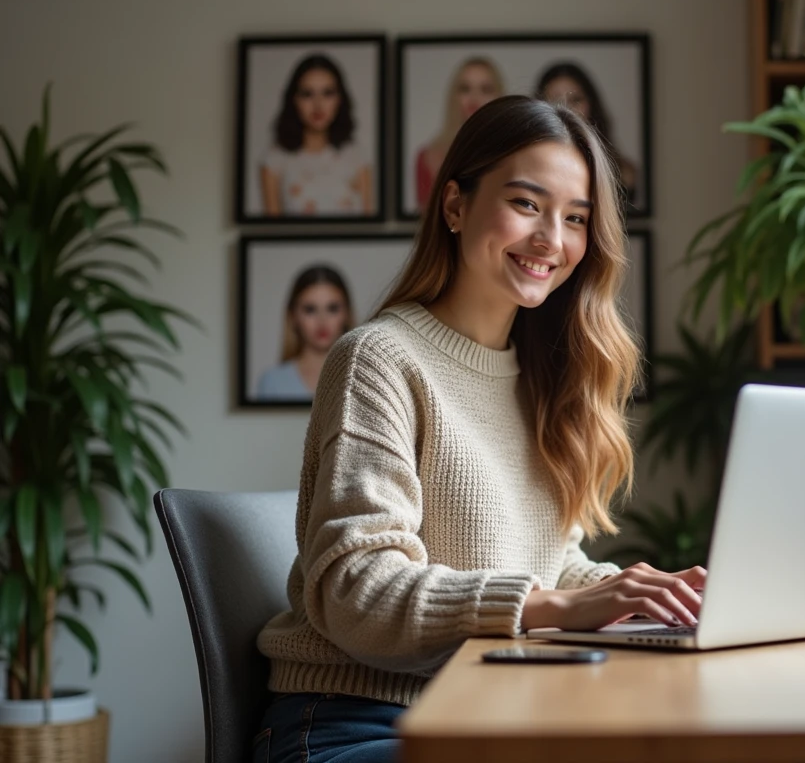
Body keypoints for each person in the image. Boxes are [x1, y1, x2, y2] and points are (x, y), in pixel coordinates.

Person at [252, 95, 706, 763]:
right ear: (456, 206)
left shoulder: (546, 378)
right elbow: (356, 592)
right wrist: (550, 606)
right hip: (355, 723)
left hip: (485, 714)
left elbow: (549, 567)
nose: (553, 239)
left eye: (576, 218)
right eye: (527, 204)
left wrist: (649, 599)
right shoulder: (379, 359)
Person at [259, 53, 373, 217]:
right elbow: (272, 235)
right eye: (307, 94)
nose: (318, 105)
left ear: (340, 99)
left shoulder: (357, 156)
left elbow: (367, 229)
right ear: (294, 99)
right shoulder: (274, 160)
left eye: (327, 93)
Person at [534, 61, 638, 205]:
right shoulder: (529, 168)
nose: (567, 109)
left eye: (575, 100)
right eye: (555, 100)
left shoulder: (624, 173)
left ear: (591, 104)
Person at [413, 56, 504, 211]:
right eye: (465, 89)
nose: (474, 98)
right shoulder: (429, 156)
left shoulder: (515, 152)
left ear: (498, 95)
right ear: (454, 96)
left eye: (485, 89)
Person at [256, 265, 355, 401]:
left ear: (347, 314)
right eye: (310, 309)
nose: (322, 321)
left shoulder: (363, 378)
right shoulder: (272, 382)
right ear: (293, 316)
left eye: (332, 308)